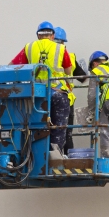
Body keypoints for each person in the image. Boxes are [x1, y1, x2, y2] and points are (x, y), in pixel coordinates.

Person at [9, 21, 72, 151]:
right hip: (57, 92)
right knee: (59, 127)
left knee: (35, 126)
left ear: (38, 35)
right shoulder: (60, 48)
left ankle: (34, 154)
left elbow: (12, 65)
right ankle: (55, 154)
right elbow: (68, 71)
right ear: (53, 36)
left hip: (36, 94)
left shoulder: (29, 47)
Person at [53, 27, 87, 156]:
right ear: (63, 43)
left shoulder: (43, 55)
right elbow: (83, 78)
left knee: (47, 131)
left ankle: (49, 157)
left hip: (45, 98)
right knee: (66, 133)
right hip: (66, 99)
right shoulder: (70, 57)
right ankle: (66, 159)